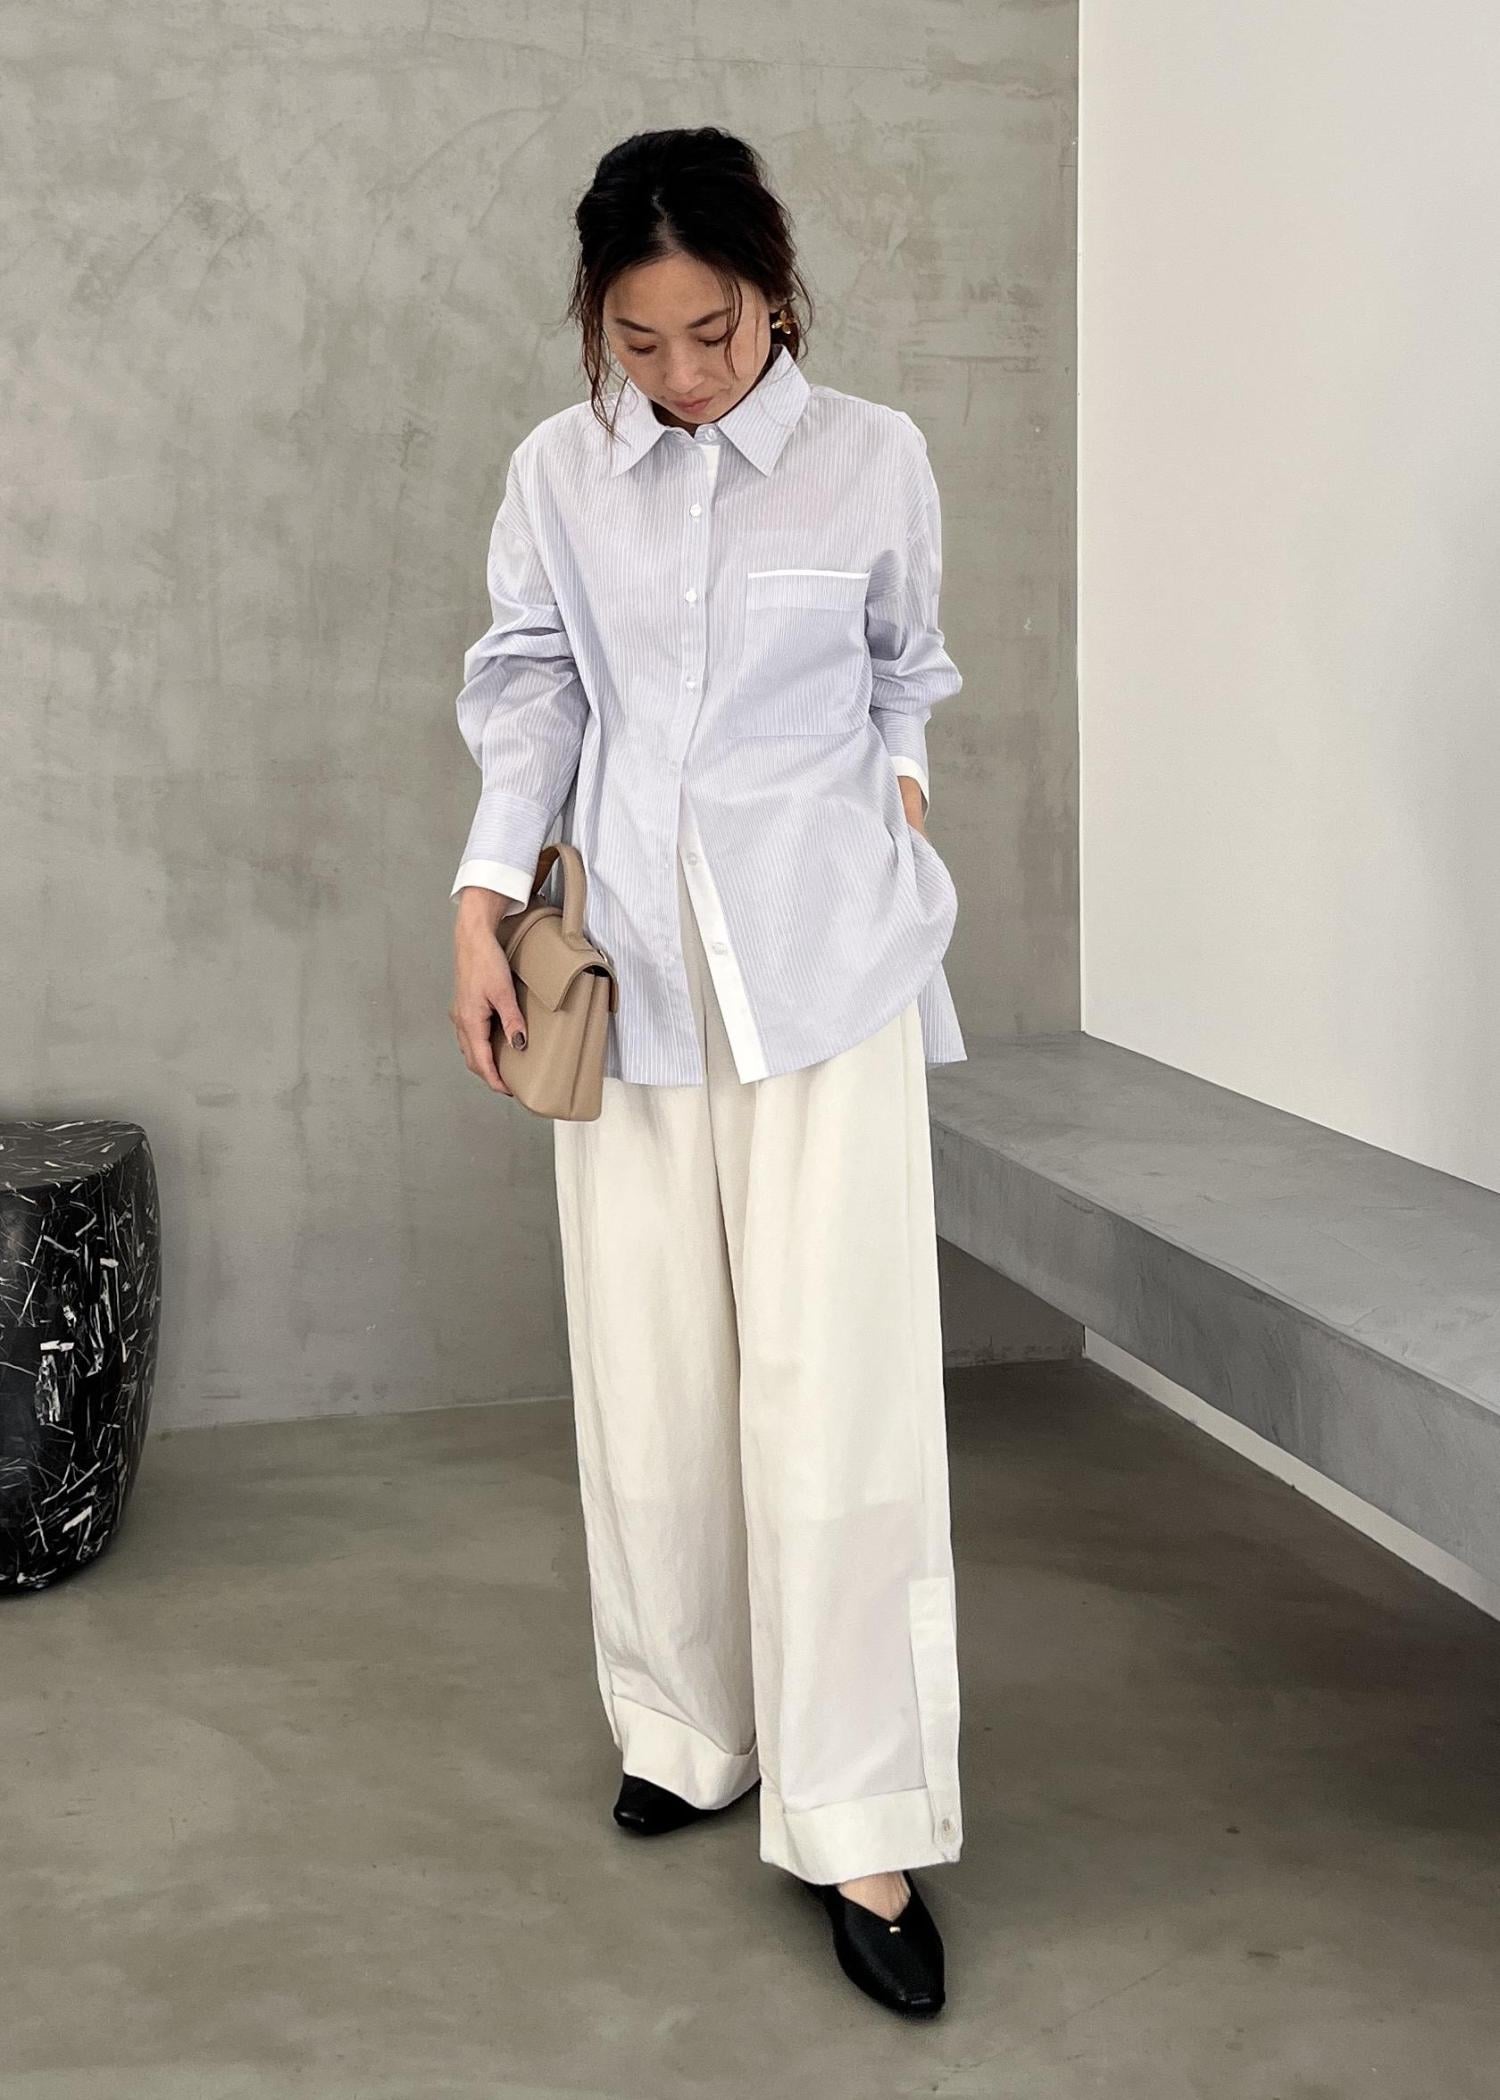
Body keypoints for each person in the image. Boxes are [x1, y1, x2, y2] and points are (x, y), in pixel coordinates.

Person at [448, 127, 967, 2021]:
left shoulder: (875, 455)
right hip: (630, 988)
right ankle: (688, 1730)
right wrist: (480, 899)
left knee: (838, 1405)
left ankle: (863, 1820)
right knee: (651, 1378)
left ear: (777, 293)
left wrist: (897, 792)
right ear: (598, 320)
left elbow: (906, 665)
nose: (681, 374)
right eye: (641, 340)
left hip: (827, 976)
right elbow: (531, 682)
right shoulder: (558, 471)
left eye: (718, 332)